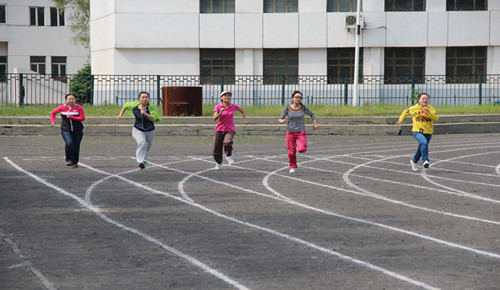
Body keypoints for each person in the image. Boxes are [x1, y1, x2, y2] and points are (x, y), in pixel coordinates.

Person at [117, 91, 161, 169]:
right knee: (142, 143)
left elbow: (154, 118)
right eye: (143, 97)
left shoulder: (151, 107)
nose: (145, 99)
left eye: (146, 97)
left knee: (147, 146)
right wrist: (120, 115)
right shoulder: (134, 105)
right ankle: (140, 161)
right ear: (139, 99)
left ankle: (143, 161)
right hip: (138, 129)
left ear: (149, 99)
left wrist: (145, 113)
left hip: (150, 130)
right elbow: (125, 106)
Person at [397, 92, 439, 171]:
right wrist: (400, 120)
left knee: (421, 147)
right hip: (417, 131)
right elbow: (405, 112)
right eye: (423, 99)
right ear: (419, 100)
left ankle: (414, 161)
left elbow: (436, 118)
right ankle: (425, 161)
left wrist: (429, 112)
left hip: (428, 132)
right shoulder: (414, 108)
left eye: (427, 99)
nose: (425, 100)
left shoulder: (431, 108)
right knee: (424, 142)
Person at [279, 90, 318, 173]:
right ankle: (293, 166)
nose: (298, 99)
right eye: (296, 97)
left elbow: (312, 114)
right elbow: (280, 118)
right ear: (292, 98)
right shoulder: (287, 108)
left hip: (301, 132)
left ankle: (303, 145)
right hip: (290, 132)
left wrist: (314, 124)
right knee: (291, 153)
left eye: (300, 97)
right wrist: (281, 121)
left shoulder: (303, 108)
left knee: (301, 149)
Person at [213, 91, 248, 169]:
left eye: (229, 95)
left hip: (230, 129)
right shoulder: (218, 106)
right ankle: (219, 163)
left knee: (227, 142)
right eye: (225, 95)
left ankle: (229, 155)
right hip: (220, 129)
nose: (227, 97)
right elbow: (214, 118)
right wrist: (220, 112)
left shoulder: (233, 106)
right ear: (221, 97)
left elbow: (242, 111)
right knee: (216, 150)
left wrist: (244, 120)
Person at [50, 94, 85, 167]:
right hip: (66, 130)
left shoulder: (79, 107)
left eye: (73, 99)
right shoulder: (62, 107)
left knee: (76, 146)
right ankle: (69, 159)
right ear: (66, 100)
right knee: (69, 143)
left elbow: (82, 118)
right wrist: (53, 121)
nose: (71, 100)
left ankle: (75, 162)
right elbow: (53, 112)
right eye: (69, 99)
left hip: (77, 130)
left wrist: (72, 117)